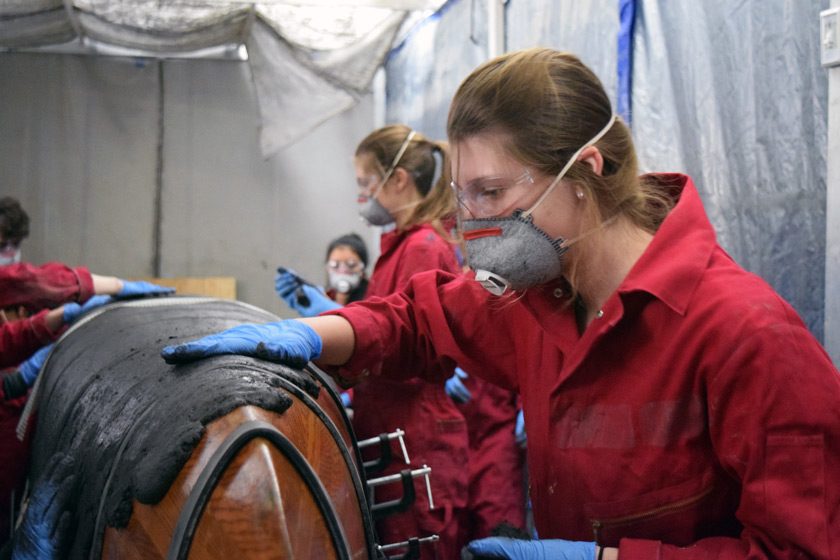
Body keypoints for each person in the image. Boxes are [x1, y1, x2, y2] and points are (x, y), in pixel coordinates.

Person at [163, 48, 840, 560]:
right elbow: (418, 320)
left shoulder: (744, 335)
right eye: (463, 197)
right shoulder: (540, 296)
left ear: (587, 170)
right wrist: (318, 334)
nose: (470, 222)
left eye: (491, 194)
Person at [273, 125, 470, 559]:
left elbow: (403, 344)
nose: (362, 195)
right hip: (392, 431)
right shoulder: (399, 248)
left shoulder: (422, 248)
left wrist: (331, 336)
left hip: (413, 440)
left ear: (398, 179)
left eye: (366, 184)